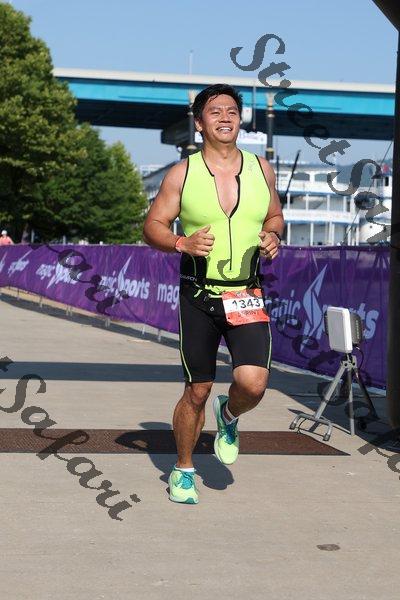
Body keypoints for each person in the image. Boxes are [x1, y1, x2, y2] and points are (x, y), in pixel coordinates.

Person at [143, 83, 284, 504]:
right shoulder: (182, 173)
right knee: (197, 390)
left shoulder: (261, 169)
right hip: (199, 297)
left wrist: (273, 236)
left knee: (253, 384)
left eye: (232, 111)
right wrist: (180, 243)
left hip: (245, 294)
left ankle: (229, 414)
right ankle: (183, 469)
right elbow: (152, 226)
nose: (225, 117)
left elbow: (275, 215)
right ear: (200, 123)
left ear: (240, 121)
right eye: (215, 111)